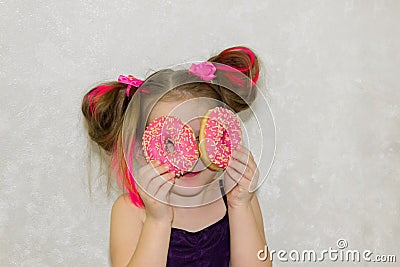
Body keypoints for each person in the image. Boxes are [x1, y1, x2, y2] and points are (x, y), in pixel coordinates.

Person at [81, 46, 272, 266]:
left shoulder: (238, 198)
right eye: (170, 142)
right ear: (143, 153)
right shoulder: (132, 211)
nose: (190, 157)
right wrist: (158, 220)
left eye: (201, 137)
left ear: (223, 139)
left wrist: (240, 206)